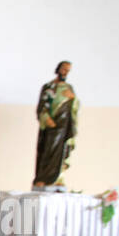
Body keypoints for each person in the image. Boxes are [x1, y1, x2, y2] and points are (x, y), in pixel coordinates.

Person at [33, 60, 79, 191]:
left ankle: (58, 178)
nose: (66, 72)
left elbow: (75, 105)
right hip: (51, 125)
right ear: (58, 69)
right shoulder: (49, 87)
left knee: (62, 151)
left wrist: (73, 98)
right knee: (48, 149)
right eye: (64, 69)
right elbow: (42, 105)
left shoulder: (69, 88)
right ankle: (43, 177)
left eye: (68, 70)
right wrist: (45, 117)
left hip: (64, 125)